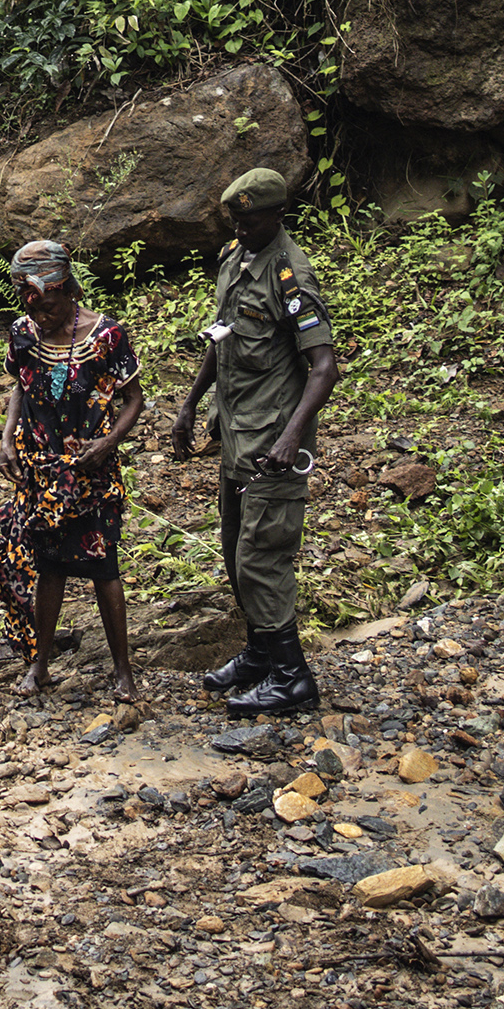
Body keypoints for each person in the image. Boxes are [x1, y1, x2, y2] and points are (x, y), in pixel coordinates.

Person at [170, 165, 338, 715]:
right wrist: (193, 403)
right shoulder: (234, 260)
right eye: (233, 220)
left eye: (248, 220)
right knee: (235, 548)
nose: (238, 229)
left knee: (263, 557)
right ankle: (261, 654)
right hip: (237, 436)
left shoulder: (289, 275)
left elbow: (323, 367)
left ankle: (293, 679)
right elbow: (223, 338)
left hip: (273, 444)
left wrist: (293, 438)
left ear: (276, 214)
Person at [0, 238, 145, 697]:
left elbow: (134, 399)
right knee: (49, 566)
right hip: (42, 473)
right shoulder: (24, 332)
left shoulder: (106, 336)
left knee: (103, 568)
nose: (42, 317)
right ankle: (40, 665)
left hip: (92, 472)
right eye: (34, 308)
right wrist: (7, 438)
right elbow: (20, 388)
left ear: (68, 290)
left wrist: (108, 443)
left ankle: (123, 673)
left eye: (49, 306)